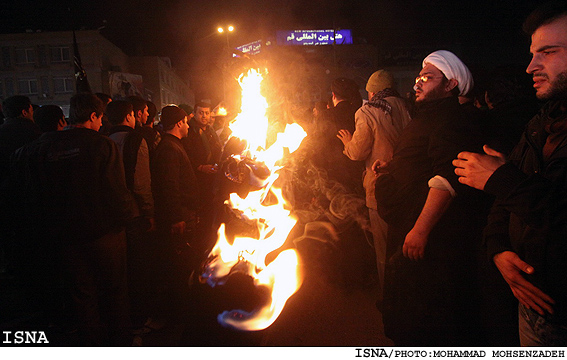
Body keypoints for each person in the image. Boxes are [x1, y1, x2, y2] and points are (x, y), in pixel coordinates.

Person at [453, 1, 567, 346]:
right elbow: (506, 198)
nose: (531, 66)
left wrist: (500, 179)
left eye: (548, 52)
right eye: (533, 53)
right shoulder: (542, 122)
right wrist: (499, 251)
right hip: (532, 309)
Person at [374, 50, 490, 345]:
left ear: (451, 84)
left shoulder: (451, 119)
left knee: (427, 317)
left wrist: (421, 230)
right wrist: (395, 165)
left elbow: (446, 178)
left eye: (428, 77)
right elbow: (425, 157)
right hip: (409, 222)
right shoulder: (430, 116)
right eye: (418, 77)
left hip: (430, 235)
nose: (418, 83)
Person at [7, 93, 134, 346]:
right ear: (94, 116)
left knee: (82, 296)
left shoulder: (38, 149)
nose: (101, 124)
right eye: (100, 118)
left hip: (64, 238)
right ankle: (121, 343)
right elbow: (116, 192)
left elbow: (29, 195)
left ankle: (92, 344)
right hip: (104, 235)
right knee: (115, 292)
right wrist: (130, 219)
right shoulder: (101, 145)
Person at [337, 70, 412, 302]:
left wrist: (348, 143)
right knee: (405, 244)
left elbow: (358, 152)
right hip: (408, 185)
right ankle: (410, 294)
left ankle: (389, 298)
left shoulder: (368, 111)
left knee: (383, 248)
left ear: (372, 91)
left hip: (380, 188)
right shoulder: (407, 107)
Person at [106, 100, 155, 330]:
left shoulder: (101, 139)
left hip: (108, 216)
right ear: (129, 116)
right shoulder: (136, 139)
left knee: (115, 273)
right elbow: (141, 182)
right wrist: (149, 212)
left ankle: (116, 320)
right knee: (137, 269)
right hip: (133, 214)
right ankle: (138, 320)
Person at [151, 105, 198, 322]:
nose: (188, 125)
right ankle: (176, 313)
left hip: (183, 213)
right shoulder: (169, 148)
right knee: (178, 265)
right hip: (179, 216)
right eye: (186, 122)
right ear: (179, 123)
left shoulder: (173, 145)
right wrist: (176, 217)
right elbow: (168, 186)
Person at [182, 102, 223, 253]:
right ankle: (197, 246)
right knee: (199, 214)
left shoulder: (211, 131)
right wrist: (200, 167)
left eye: (207, 113)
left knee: (210, 212)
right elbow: (186, 156)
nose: (204, 116)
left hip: (212, 179)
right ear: (195, 113)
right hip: (197, 180)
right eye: (201, 113)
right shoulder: (190, 131)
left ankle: (208, 242)